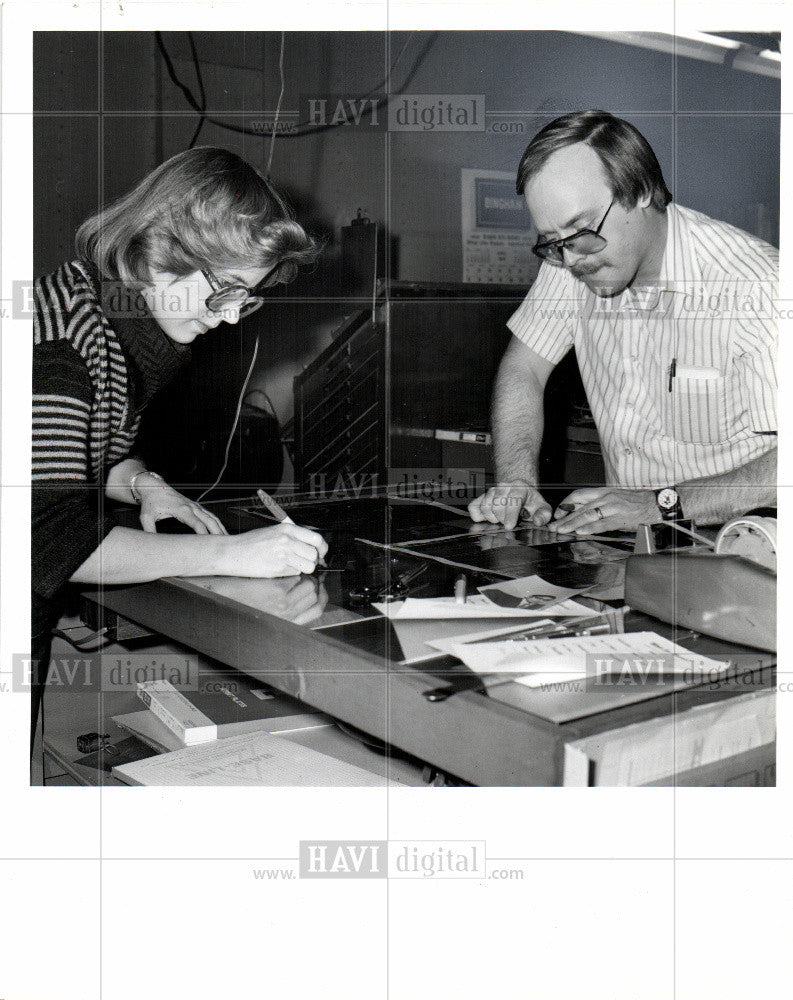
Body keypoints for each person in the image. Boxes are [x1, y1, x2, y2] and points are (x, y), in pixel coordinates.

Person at [32, 146, 328, 738]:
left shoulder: (111, 323)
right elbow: (44, 539)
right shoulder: (66, 344)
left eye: (248, 297)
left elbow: (83, 452)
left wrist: (144, 483)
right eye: (226, 290)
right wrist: (232, 555)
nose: (231, 317)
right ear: (162, 249)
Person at [469, 110, 777, 534]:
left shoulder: (756, 286)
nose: (572, 259)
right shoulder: (575, 261)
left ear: (643, 191)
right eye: (554, 243)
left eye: (581, 231)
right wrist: (516, 480)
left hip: (743, 552)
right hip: (632, 550)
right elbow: (525, 368)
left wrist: (661, 506)